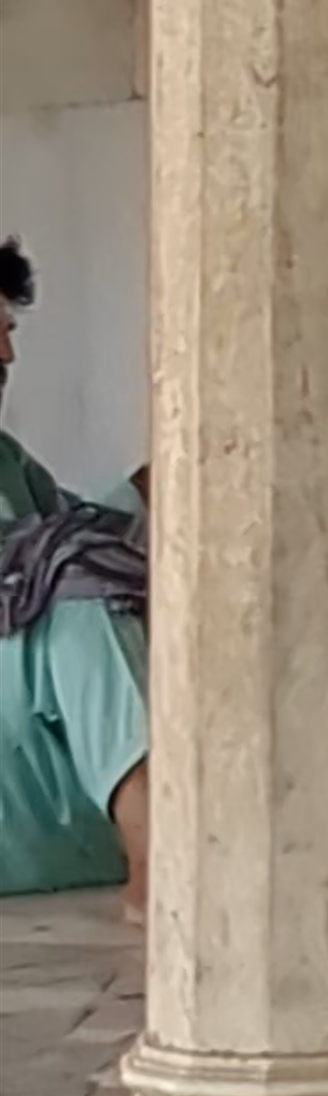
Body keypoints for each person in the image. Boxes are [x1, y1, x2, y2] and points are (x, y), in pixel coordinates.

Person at [0, 240, 149, 909]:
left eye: (8, 331)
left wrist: (162, 484)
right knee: (81, 591)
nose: (6, 356)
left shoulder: (7, 462)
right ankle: (156, 848)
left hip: (33, 749)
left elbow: (82, 536)